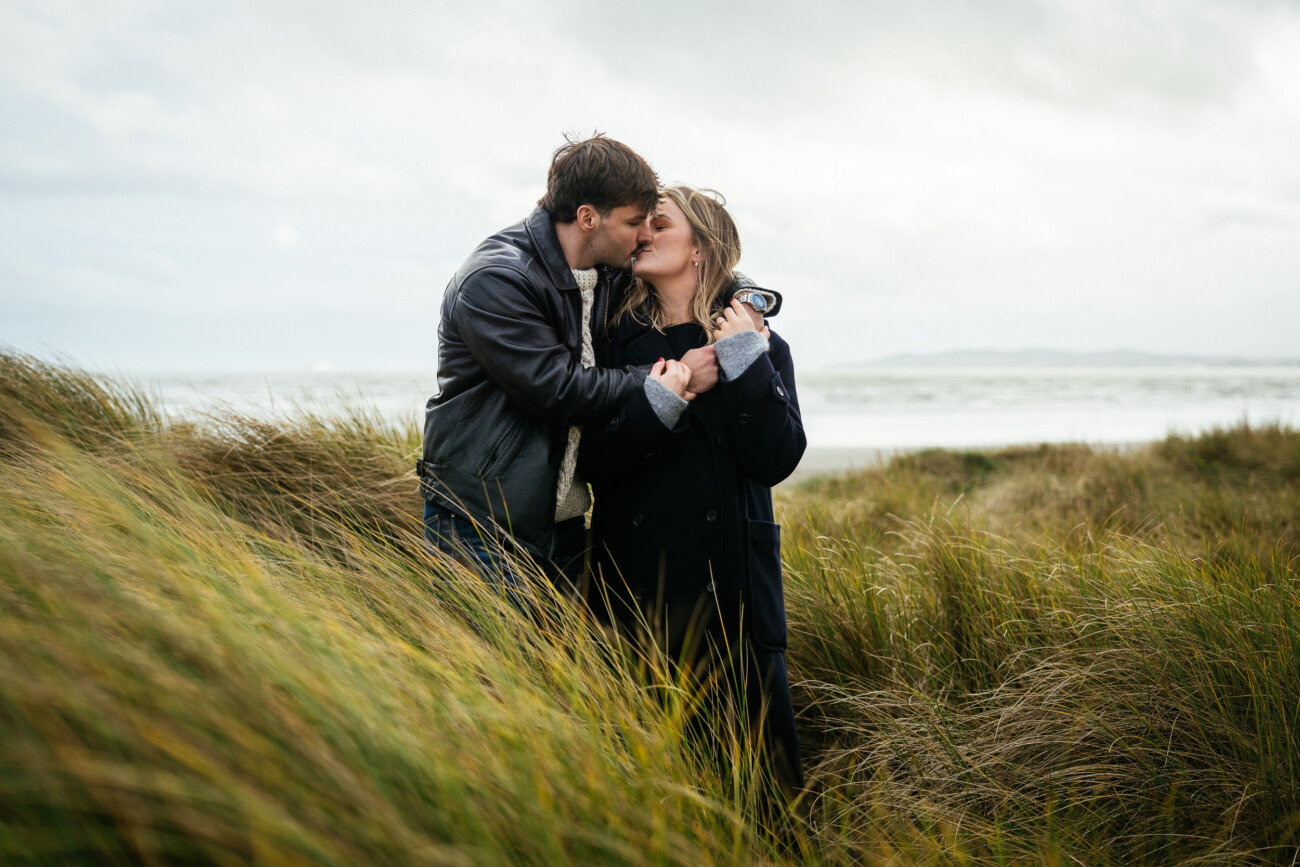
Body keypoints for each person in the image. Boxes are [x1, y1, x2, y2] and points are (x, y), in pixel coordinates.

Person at [417, 134, 727, 594]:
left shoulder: (607, 268)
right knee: (486, 666)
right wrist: (666, 377)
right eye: (634, 222)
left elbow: (699, 263)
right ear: (587, 218)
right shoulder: (496, 280)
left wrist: (748, 298)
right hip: (482, 522)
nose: (645, 234)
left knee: (555, 668)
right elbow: (558, 391)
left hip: (562, 524)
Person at [578, 186, 806, 800]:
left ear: (701, 247)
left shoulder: (759, 344)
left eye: (659, 224)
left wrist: (742, 359)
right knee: (652, 779)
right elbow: (594, 463)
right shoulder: (611, 342)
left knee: (760, 784)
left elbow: (778, 457)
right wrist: (664, 401)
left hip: (732, 584)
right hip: (640, 584)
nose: (641, 234)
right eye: (640, 225)